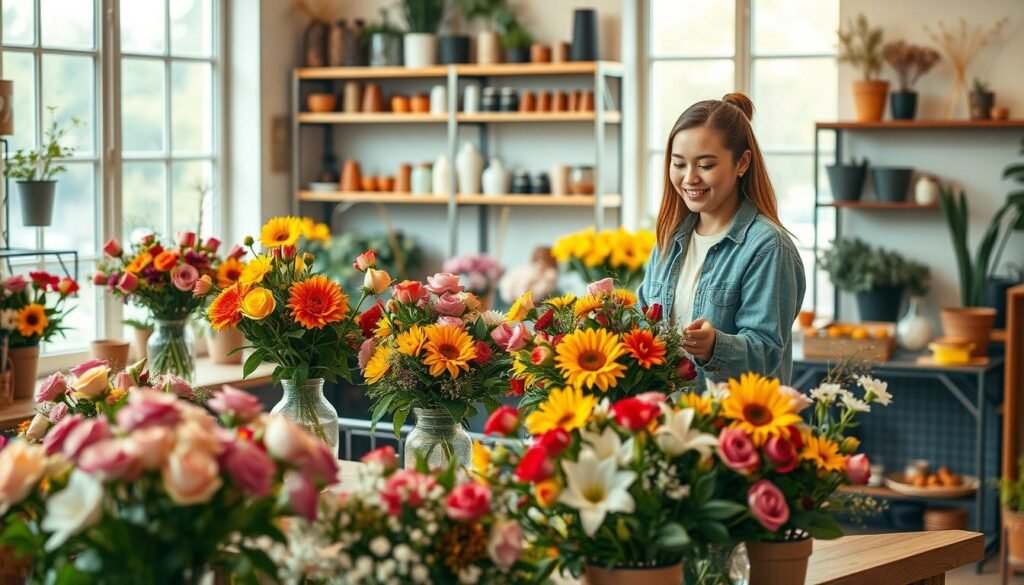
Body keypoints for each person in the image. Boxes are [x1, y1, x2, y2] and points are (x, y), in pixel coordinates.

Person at [638, 93, 805, 384]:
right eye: (679, 164)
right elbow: (643, 325)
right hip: (670, 423)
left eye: (705, 165)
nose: (690, 178)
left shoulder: (768, 248)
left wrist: (715, 345)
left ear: (742, 163)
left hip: (732, 425)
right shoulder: (669, 241)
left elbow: (766, 353)